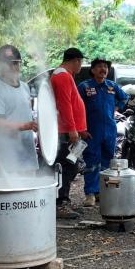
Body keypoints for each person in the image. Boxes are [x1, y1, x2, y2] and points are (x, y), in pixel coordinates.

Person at [78, 58, 128, 207]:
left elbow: (124, 98)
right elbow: (76, 106)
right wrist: (81, 129)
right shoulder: (84, 86)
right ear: (93, 70)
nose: (103, 69)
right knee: (92, 161)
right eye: (100, 66)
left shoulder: (112, 86)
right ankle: (90, 194)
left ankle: (103, 192)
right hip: (91, 130)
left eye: (105, 67)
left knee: (107, 161)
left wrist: (116, 108)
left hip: (109, 130)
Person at [0, 45, 38, 175]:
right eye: (9, 64)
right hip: (7, 154)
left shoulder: (25, 87)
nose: (13, 67)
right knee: (12, 193)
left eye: (16, 63)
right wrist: (26, 125)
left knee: (31, 191)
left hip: (27, 150)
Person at [50, 47, 87, 219]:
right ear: (76, 61)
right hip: (63, 131)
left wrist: (80, 129)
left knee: (69, 165)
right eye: (81, 62)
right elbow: (64, 105)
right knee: (67, 166)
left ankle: (63, 201)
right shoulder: (62, 76)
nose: (81, 65)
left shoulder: (65, 75)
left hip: (67, 130)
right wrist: (72, 128)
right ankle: (59, 204)